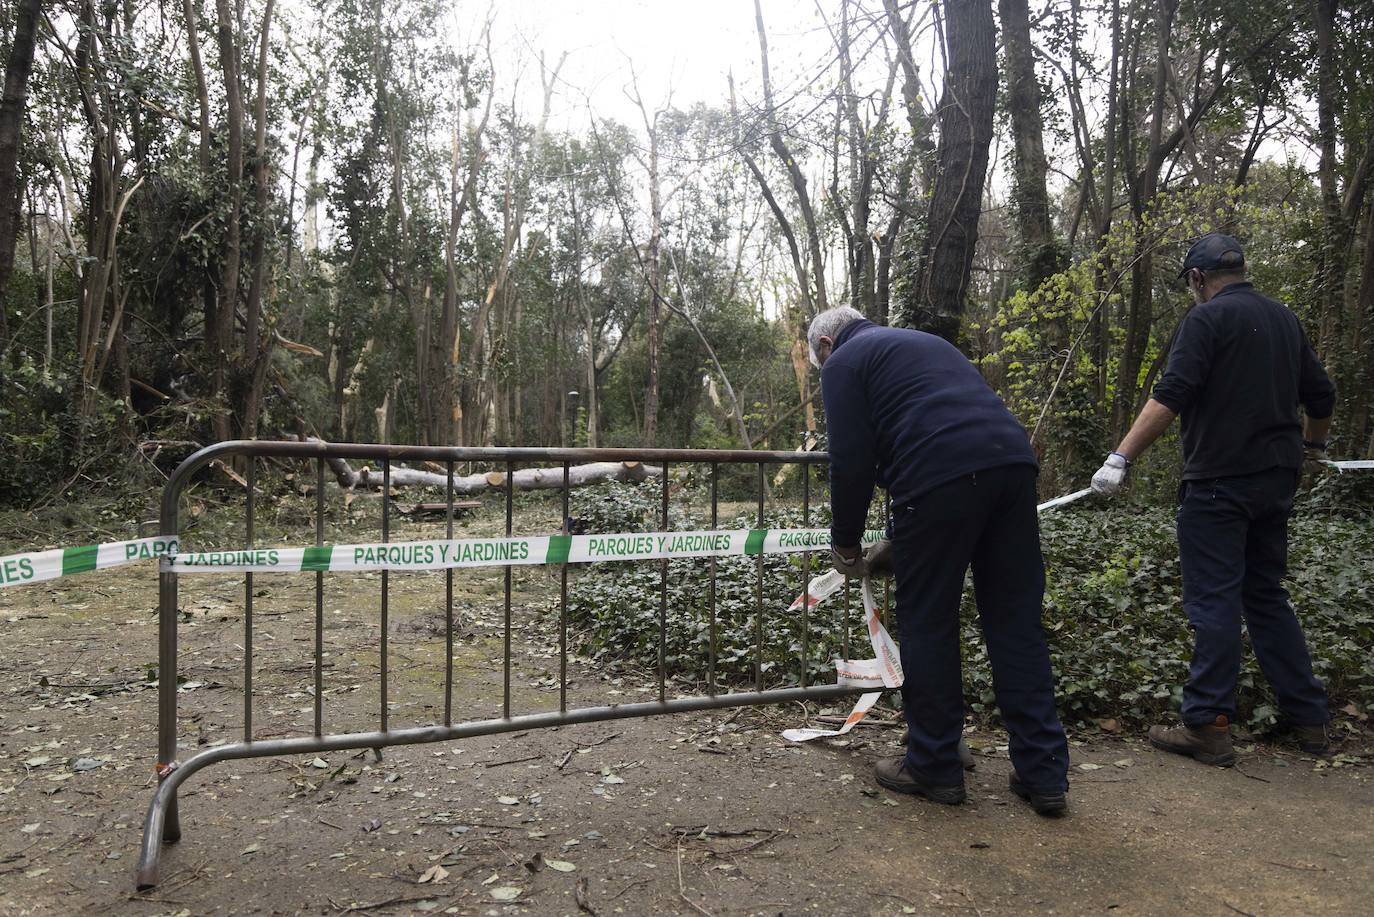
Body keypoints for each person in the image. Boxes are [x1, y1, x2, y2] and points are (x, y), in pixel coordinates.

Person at [810, 306, 1070, 815]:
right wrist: (897, 536)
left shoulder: (843, 362)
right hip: (1013, 466)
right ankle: (1045, 774)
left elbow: (852, 458)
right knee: (1016, 624)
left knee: (928, 621)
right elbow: (931, 422)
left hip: (940, 479)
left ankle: (933, 763)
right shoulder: (921, 343)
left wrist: (845, 544)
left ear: (824, 345)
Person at [1092, 232, 1335, 767]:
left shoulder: (1205, 319)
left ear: (1198, 279)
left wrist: (1121, 458)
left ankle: (1207, 724)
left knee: (1215, 601)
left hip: (1219, 482)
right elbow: (1322, 396)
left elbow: (1171, 394)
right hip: (1276, 479)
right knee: (1266, 595)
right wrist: (1312, 448)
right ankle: (1311, 719)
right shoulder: (1285, 320)